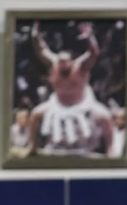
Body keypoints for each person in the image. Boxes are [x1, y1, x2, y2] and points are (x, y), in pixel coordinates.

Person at [26, 21, 114, 157]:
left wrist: (89, 38)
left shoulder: (80, 66)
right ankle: (32, 146)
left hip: (83, 104)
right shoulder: (54, 63)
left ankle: (111, 150)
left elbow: (93, 53)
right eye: (60, 62)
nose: (62, 65)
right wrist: (35, 35)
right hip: (57, 104)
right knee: (35, 114)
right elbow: (41, 49)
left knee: (105, 117)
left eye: (64, 62)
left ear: (71, 62)